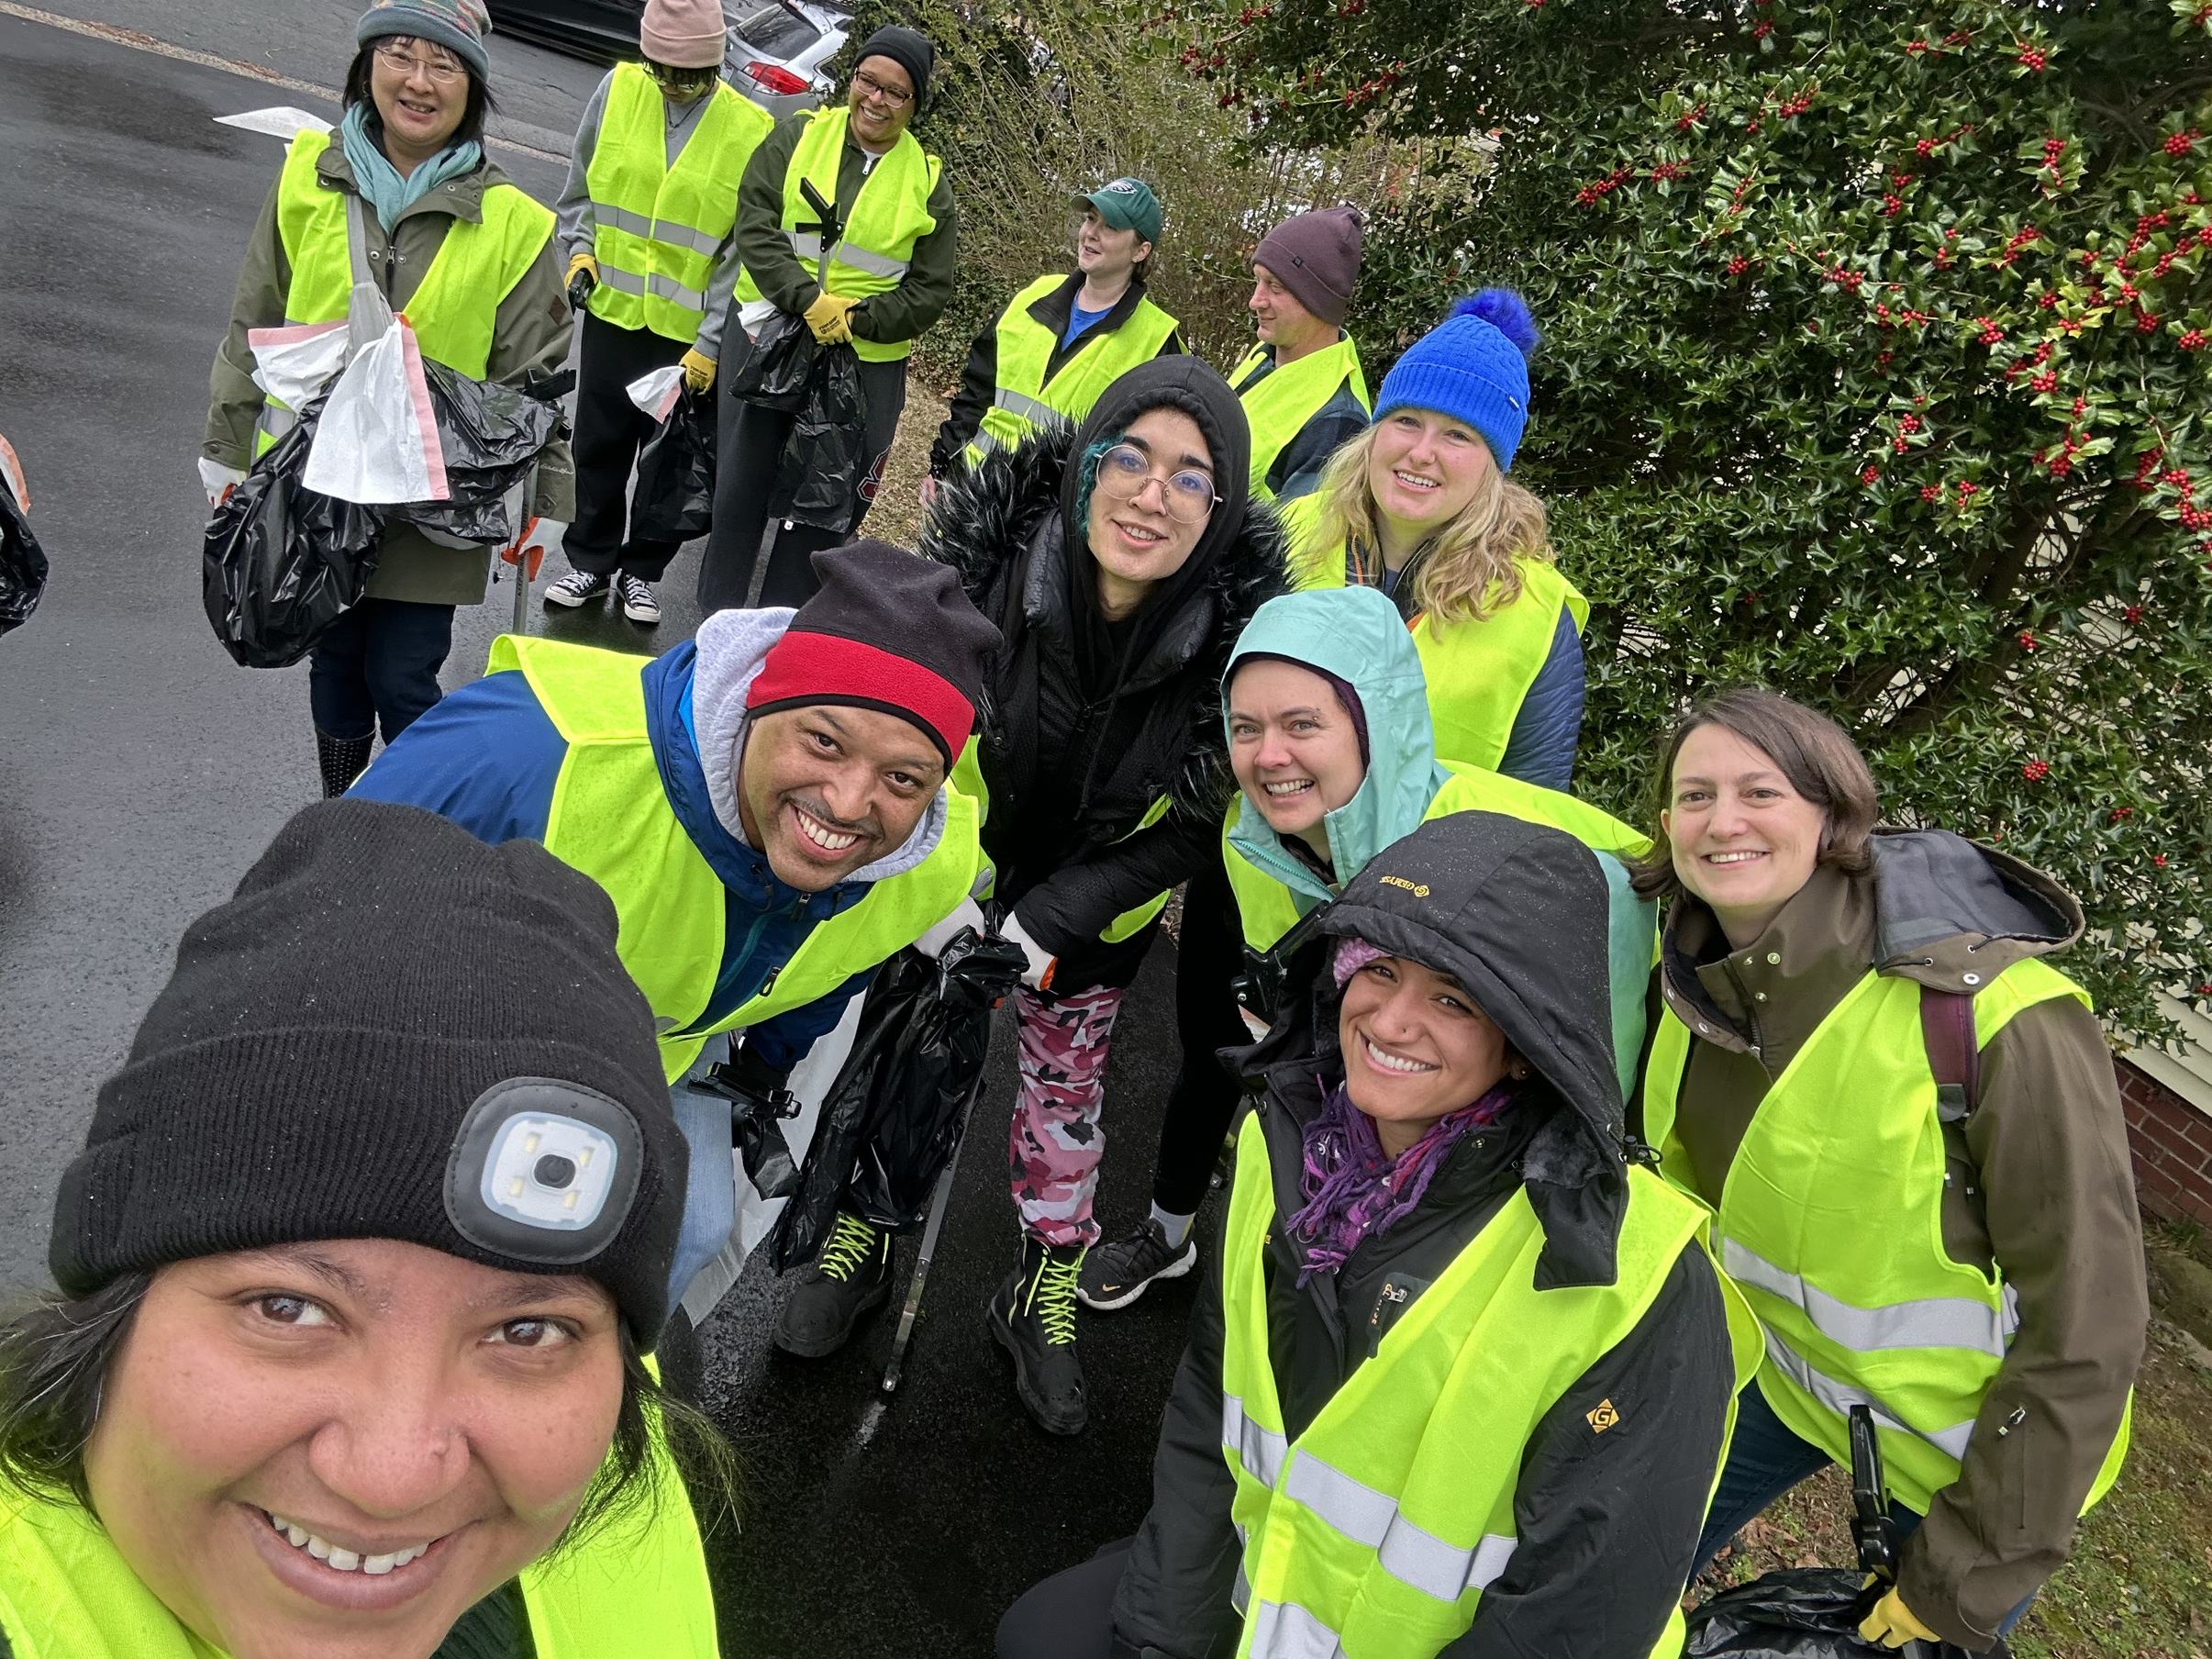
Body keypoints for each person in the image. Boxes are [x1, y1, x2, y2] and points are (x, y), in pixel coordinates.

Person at [1000, 812, 1753, 1659]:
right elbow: (1211, 1409)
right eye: (1378, 970)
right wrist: (1159, 1637)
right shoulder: (1278, 1146)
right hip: (1265, 1594)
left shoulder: (1636, 1283)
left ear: (1526, 1046)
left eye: (1453, 998)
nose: (1390, 1023)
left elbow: (1577, 1621)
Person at [0, 799, 728, 1658]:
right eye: (286, 1308)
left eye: (527, 1329)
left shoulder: (605, 1467)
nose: (392, 1482)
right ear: (108, 1313)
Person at [770, 359, 1285, 1437]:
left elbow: (1201, 816)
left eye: (1191, 478)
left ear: (1221, 505)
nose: (1151, 493)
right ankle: (866, 1222)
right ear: (1087, 462)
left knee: (1064, 1101)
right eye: (1129, 456)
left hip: (1087, 926)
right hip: (942, 887)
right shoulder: (977, 565)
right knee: (909, 1050)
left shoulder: (1241, 648)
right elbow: (912, 737)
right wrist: (957, 886)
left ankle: (1042, 1279)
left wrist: (1056, 913)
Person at [349, 540, 999, 1319]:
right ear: (757, 700)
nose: (850, 802)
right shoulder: (522, 755)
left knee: (693, 1225)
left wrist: (764, 1073)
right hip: (443, 1048)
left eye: (902, 778)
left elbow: (834, 965)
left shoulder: (924, 863)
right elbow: (320, 923)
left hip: (662, 1045)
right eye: (823, 742)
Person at [1636, 688, 2147, 1653]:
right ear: (1664, 824)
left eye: (1759, 790)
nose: (1721, 819)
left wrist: (1962, 1577)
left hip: (1971, 1446)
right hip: (1778, 1381)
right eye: (1692, 794)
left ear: (1831, 815)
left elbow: (2087, 1323)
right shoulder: (1686, 979)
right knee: (1609, 1570)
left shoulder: (1995, 1013)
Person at [1079, 584, 1654, 1312]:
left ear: (1371, 723)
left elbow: (1595, 1077)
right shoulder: (1253, 839)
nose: (1268, 755)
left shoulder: (1517, 859)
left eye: (1301, 723)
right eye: (1245, 726)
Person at [203, 0, 572, 799]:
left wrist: (551, 497)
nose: (418, 80)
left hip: (431, 498)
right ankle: (342, 803)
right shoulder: (307, 171)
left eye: (444, 65)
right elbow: (256, 310)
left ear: (472, 89)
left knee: (403, 671)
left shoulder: (515, 221)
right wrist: (226, 441)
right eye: (400, 55)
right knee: (333, 656)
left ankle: (410, 811)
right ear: (366, 66)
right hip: (315, 482)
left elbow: (537, 379)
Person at [698, 26, 958, 613]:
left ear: (916, 104)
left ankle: (787, 634)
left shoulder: (929, 183)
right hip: (769, 338)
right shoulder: (797, 136)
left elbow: (930, 290)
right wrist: (805, 300)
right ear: (853, 78)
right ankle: (714, 628)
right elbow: (755, 223)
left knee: (823, 501)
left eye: (897, 92)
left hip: (864, 362)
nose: (877, 100)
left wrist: (858, 319)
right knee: (741, 488)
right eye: (869, 81)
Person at [1286, 289, 1586, 791]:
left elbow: (1531, 796)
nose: (1422, 453)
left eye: (1458, 435)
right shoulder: (1289, 533)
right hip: (1258, 860)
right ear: (1375, 432)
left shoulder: (1535, 608)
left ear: (1495, 465)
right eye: (1407, 421)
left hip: (1428, 867)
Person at [541, 0, 773, 628]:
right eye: (662, 71)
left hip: (685, 334)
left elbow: (740, 250)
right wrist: (580, 251)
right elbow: (581, 189)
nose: (674, 86)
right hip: (614, 311)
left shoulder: (749, 127)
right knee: (598, 443)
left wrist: (710, 341)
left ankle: (641, 572)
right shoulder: (617, 89)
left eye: (690, 75)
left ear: (717, 64)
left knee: (668, 462)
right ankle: (589, 559)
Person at [926, 177, 1184, 495]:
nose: (1091, 233)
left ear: (1141, 251)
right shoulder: (1035, 294)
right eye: (1091, 219)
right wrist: (942, 467)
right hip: (970, 490)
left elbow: (1146, 454)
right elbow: (978, 391)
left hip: (1051, 517)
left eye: (1111, 227)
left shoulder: (1159, 343)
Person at [1228, 205, 1371, 503]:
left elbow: (1296, 544)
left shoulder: (1338, 419)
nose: (1256, 301)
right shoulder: (1264, 357)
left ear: (1318, 301)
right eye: (1258, 280)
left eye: (1275, 287)